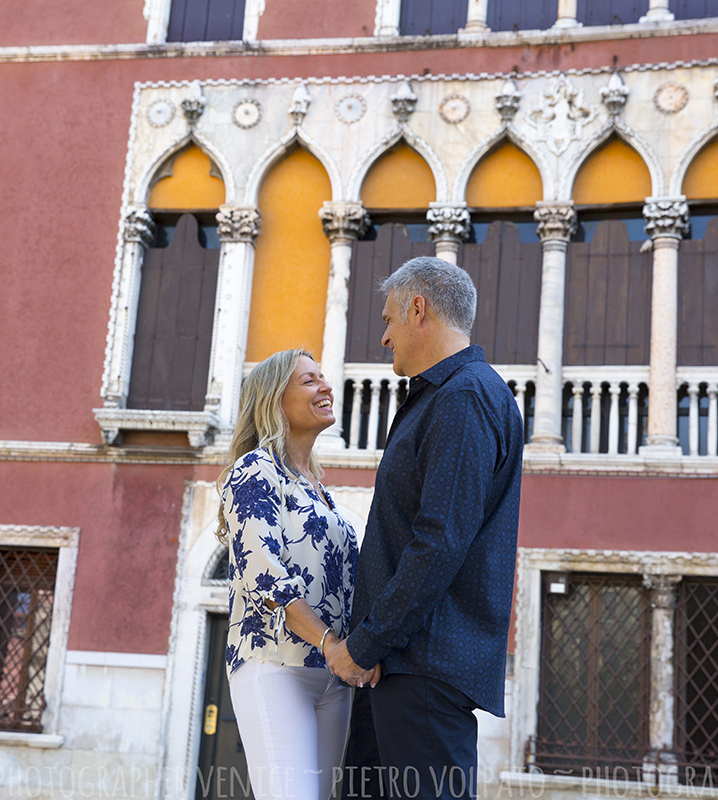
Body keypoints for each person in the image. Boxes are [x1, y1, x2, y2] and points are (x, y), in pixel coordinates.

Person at [325, 257, 524, 800]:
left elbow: (438, 543)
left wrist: (364, 644)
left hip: (423, 673)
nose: (385, 336)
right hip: (403, 669)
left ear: (419, 309)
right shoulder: (452, 396)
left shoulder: (464, 397)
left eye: (389, 319)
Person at [217, 348, 375, 800]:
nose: (326, 386)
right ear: (273, 399)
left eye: (323, 378)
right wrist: (332, 643)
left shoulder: (319, 490)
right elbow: (265, 574)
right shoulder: (255, 471)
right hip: (275, 666)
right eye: (309, 381)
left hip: (333, 678)